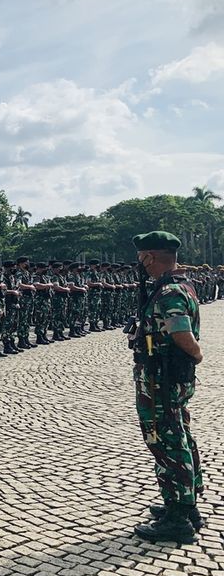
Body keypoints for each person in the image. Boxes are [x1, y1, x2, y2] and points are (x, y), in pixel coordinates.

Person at [129, 231, 204, 543]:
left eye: (142, 256)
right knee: (180, 436)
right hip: (168, 378)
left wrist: (196, 354)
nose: (140, 263)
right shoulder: (179, 285)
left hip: (161, 381)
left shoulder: (168, 292)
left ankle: (178, 517)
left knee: (167, 441)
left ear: (151, 256)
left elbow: (181, 334)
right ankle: (185, 505)